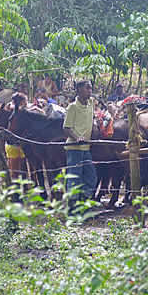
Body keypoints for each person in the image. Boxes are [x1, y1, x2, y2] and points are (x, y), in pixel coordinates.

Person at [62, 80, 97, 208]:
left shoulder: (91, 103)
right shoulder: (72, 107)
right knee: (74, 178)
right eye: (88, 88)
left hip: (86, 147)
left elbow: (92, 118)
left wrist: (94, 127)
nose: (90, 91)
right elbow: (66, 128)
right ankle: (72, 207)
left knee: (91, 177)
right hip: (75, 148)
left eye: (91, 88)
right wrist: (77, 138)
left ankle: (83, 204)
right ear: (79, 89)